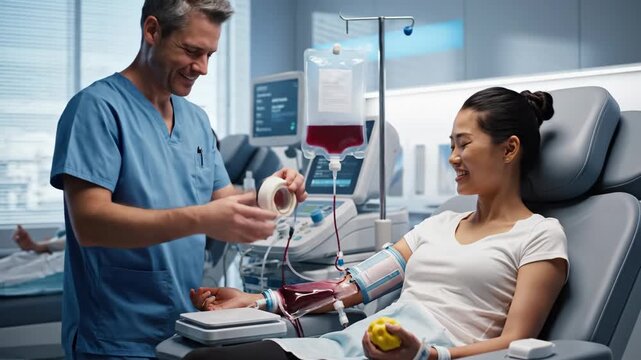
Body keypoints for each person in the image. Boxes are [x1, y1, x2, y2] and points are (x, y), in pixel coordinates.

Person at [184, 87, 569, 360]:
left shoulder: (539, 236)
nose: (453, 157)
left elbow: (515, 342)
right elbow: (348, 288)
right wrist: (257, 301)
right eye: (451, 144)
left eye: (464, 144)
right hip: (359, 345)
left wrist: (426, 355)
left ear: (510, 148)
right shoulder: (436, 226)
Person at [49, 0, 307, 358]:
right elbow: (90, 224)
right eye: (191, 51)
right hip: (116, 336)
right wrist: (201, 218)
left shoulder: (197, 122)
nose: (201, 68)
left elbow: (224, 205)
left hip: (184, 329)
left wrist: (273, 194)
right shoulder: (96, 109)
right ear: (152, 31)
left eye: (209, 55)